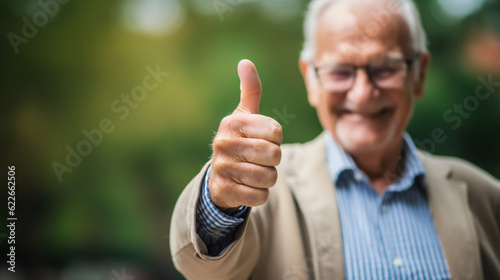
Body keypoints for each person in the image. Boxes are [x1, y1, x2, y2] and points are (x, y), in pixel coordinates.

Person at [170, 0, 500, 279]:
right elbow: (202, 268)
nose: (363, 92)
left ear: (419, 74)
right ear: (310, 79)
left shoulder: (484, 198)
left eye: (385, 68)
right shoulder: (261, 192)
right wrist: (220, 195)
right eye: (340, 71)